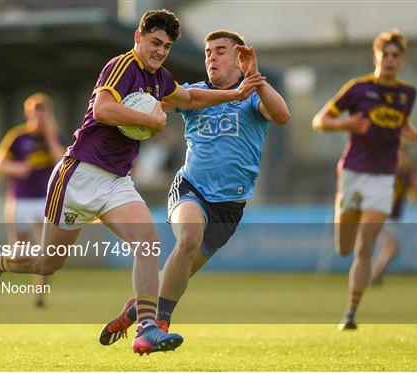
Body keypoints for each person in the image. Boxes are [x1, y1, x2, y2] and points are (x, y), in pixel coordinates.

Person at [0, 10, 265, 355]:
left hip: (116, 181)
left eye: (167, 47)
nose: (160, 51)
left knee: (148, 242)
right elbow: (103, 111)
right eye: (155, 42)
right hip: (79, 175)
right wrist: (148, 120)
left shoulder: (160, 79)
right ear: (138, 39)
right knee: (48, 262)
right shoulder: (123, 66)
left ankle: (147, 327)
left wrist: (233, 95)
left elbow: (189, 99)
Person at [98, 30, 290, 346]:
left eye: (221, 51)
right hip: (191, 188)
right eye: (207, 51)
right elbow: (149, 102)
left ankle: (135, 311)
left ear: (239, 57)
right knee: (188, 239)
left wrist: (253, 76)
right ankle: (157, 324)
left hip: (230, 206)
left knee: (177, 273)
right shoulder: (193, 93)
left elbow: (282, 116)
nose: (211, 56)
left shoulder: (254, 95)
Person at [311, 29, 417, 331]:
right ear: (376, 57)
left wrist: (416, 134)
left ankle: (350, 312)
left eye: (395, 56)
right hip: (352, 173)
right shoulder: (357, 89)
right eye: (385, 55)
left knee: (365, 246)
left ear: (401, 60)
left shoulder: (408, 94)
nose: (390, 60)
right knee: (344, 247)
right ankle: (350, 303)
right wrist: (345, 124)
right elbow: (319, 120)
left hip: (383, 177)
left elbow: (399, 124)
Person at [0, 93, 65, 307]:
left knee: (48, 250)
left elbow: (63, 163)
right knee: (21, 252)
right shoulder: (18, 137)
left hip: (46, 201)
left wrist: (50, 137)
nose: (41, 117)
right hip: (20, 200)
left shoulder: (55, 137)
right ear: (28, 114)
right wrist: (16, 168)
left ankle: (39, 296)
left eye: (45, 112)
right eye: (36, 112)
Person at [370, 146, 417, 285]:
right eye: (400, 155)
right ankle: (373, 274)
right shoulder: (386, 172)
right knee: (392, 247)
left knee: (389, 248)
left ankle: (372, 274)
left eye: (405, 156)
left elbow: (414, 197)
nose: (402, 159)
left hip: (395, 218)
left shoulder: (407, 175)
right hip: (381, 215)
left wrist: (416, 185)